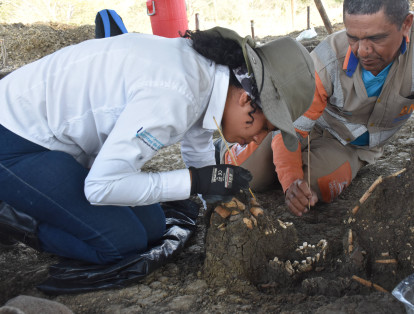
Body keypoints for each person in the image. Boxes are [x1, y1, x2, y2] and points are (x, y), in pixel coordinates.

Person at [0, 27, 315, 264]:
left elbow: (197, 144)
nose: (257, 140)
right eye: (265, 128)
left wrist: (215, 193)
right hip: (15, 141)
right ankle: (16, 218)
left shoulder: (208, 74)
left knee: (153, 226)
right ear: (247, 100)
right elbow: (100, 187)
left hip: (62, 144)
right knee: (120, 242)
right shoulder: (174, 93)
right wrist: (196, 181)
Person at [218, 0, 414, 217]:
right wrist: (291, 182)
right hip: (303, 129)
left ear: (406, 24)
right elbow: (291, 131)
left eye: (376, 38)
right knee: (247, 176)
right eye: (353, 38)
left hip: (350, 147)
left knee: (313, 188)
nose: (363, 50)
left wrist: (297, 185)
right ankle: (228, 149)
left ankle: (287, 162)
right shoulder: (326, 61)